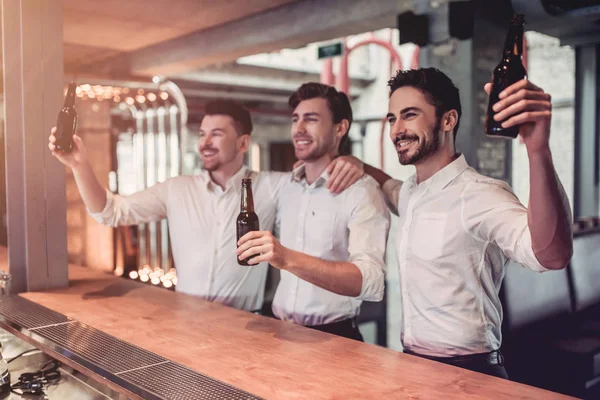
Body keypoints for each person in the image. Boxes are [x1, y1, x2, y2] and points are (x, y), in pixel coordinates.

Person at [48, 99, 364, 312]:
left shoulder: (273, 186)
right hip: (186, 319)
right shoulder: (176, 189)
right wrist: (78, 164)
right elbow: (110, 211)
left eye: (216, 134)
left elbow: (317, 173)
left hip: (246, 325)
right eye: (202, 134)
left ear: (243, 143)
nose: (205, 142)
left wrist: (351, 161)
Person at [363, 67, 573, 378]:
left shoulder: (481, 194)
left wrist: (537, 150)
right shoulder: (410, 193)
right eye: (392, 118)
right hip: (412, 366)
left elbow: (552, 255)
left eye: (409, 115)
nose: (396, 130)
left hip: (471, 373)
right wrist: (353, 163)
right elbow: (387, 185)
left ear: (448, 120)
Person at [237, 83, 390, 341]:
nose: (299, 129)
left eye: (311, 119)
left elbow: (371, 281)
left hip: (334, 338)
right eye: (295, 119)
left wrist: (286, 258)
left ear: (340, 128)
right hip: (279, 332)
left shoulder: (361, 191)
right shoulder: (284, 187)